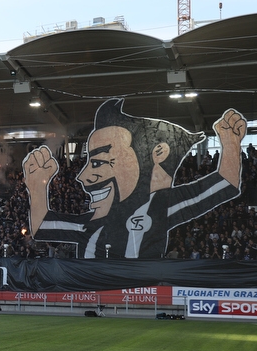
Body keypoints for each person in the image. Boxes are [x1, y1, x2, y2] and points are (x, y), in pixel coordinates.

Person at [23, 98, 245, 258]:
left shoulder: (159, 207)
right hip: (93, 297)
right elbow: (42, 226)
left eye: (98, 162)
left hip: (138, 295)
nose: (83, 177)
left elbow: (224, 184)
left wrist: (231, 144)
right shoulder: (91, 224)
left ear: (157, 154)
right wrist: (36, 187)